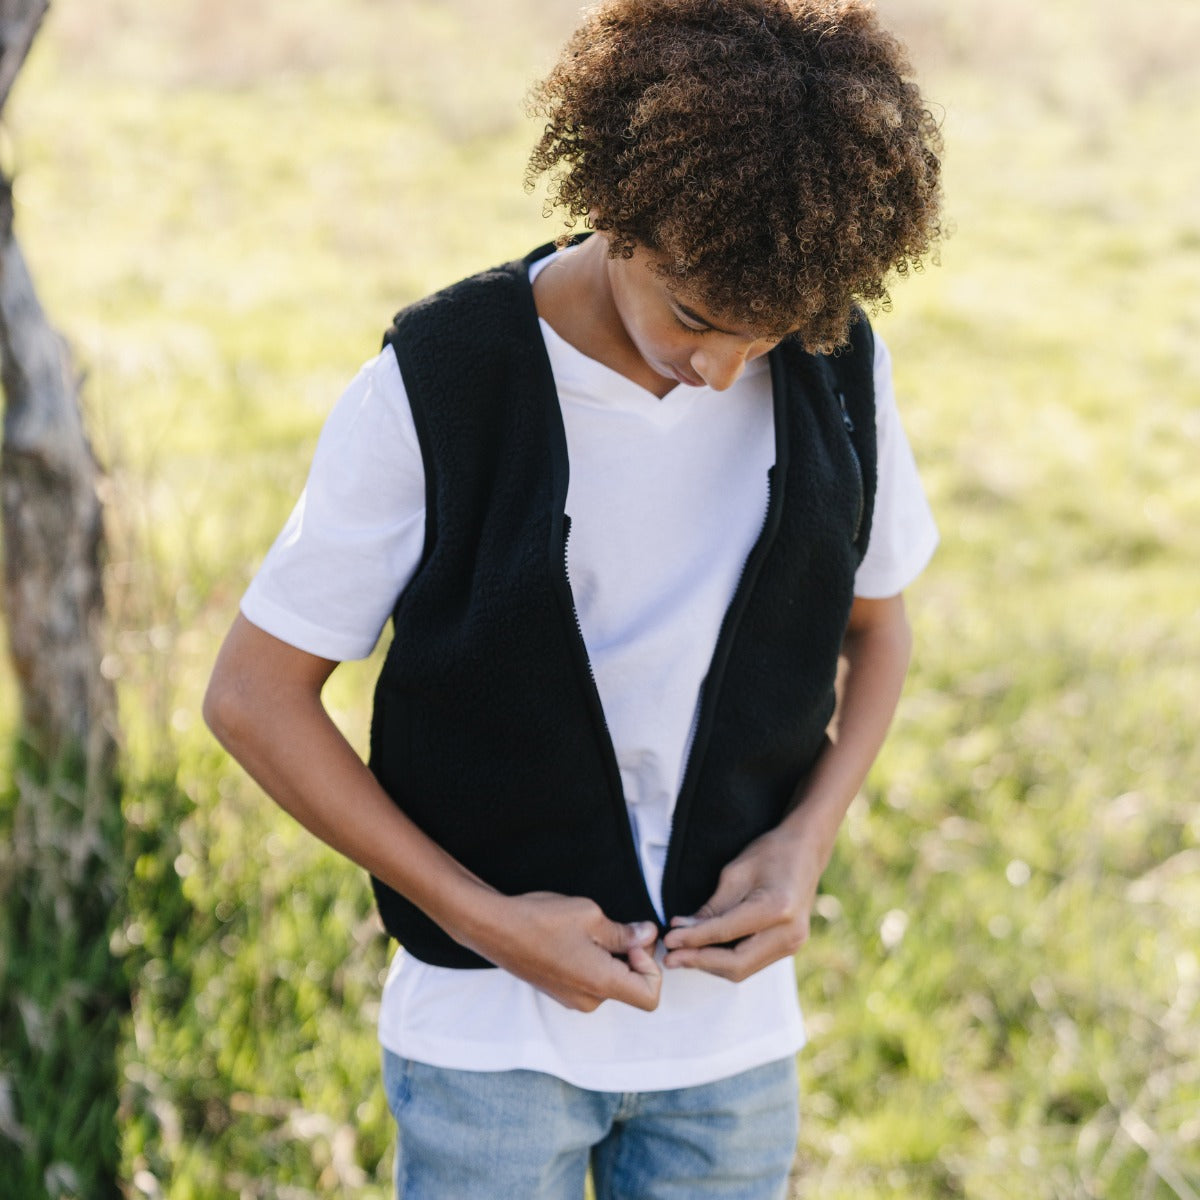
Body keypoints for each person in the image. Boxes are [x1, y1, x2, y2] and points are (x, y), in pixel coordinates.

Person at [204, 0, 943, 1195]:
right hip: (487, 1043)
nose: (721, 371)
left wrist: (805, 845)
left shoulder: (836, 361)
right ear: (616, 208)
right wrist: (486, 918)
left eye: (763, 338)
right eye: (695, 317)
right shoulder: (440, 382)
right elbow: (253, 697)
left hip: (729, 1048)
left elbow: (880, 627)